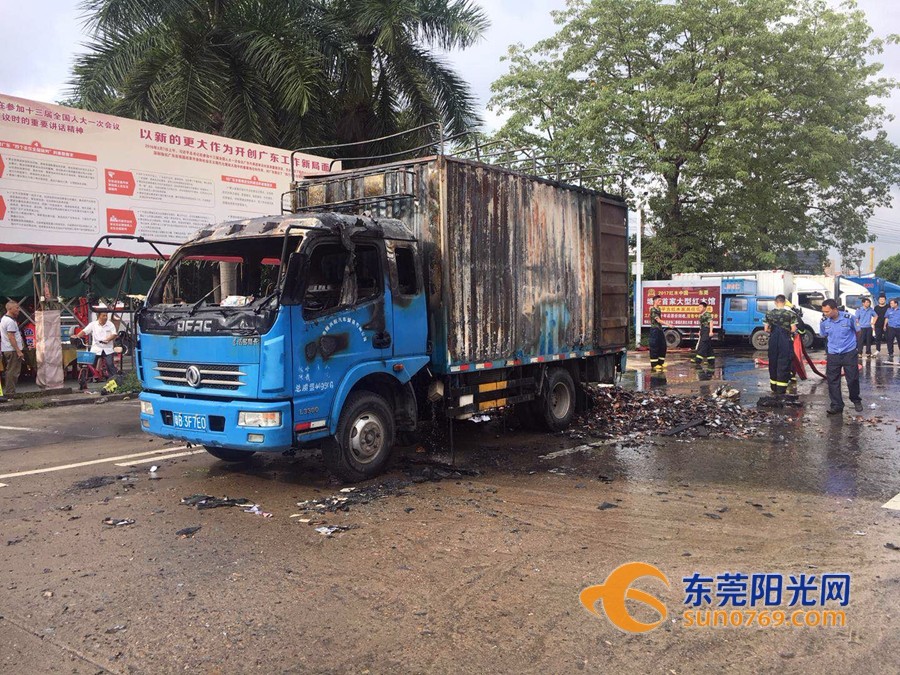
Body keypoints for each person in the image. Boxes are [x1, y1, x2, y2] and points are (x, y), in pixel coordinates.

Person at [820, 299, 862, 415]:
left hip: (849, 352)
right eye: (823, 311)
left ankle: (855, 399)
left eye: (827, 311)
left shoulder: (849, 318)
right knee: (833, 380)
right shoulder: (824, 321)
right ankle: (836, 405)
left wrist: (854, 346)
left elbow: (858, 331)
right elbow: (824, 334)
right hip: (833, 354)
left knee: (852, 378)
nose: (825, 314)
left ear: (835, 309)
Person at [763, 294, 797, 403]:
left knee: (773, 361)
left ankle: (773, 386)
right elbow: (793, 329)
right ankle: (781, 388)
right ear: (784, 302)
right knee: (784, 361)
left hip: (773, 339)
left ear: (775, 302)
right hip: (785, 340)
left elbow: (766, 329)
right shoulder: (790, 314)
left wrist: (773, 332)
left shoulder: (769, 313)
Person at [73, 311, 119, 378]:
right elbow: (85, 331)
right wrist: (77, 336)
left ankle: (115, 379)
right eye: (103, 315)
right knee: (91, 365)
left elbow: (114, 334)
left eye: (106, 315)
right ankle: (91, 377)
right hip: (96, 348)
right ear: (99, 316)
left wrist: (108, 339)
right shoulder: (93, 324)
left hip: (108, 349)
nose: (105, 317)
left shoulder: (110, 324)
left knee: (110, 365)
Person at [1, 300, 25, 397]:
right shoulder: (10, 321)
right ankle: (10, 392)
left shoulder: (4, 319)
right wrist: (18, 351)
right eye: (16, 308)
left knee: (11, 370)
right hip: (12, 349)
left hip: (7, 348)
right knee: (13, 371)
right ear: (10, 309)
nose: (18, 310)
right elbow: (11, 337)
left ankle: (10, 391)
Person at [648, 295, 669, 371]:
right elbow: (658, 320)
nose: (661, 302)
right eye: (659, 300)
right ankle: (654, 364)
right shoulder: (653, 310)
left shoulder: (658, 309)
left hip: (659, 329)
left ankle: (661, 362)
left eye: (661, 300)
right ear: (655, 301)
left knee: (663, 345)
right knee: (654, 346)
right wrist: (668, 324)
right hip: (654, 329)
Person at [694, 301, 715, 368]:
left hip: (707, 330)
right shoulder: (701, 315)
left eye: (700, 307)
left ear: (705, 308)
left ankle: (698, 359)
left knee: (703, 344)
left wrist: (711, 331)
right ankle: (711, 360)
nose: (699, 308)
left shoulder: (707, 314)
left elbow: (711, 322)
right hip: (703, 330)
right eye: (699, 307)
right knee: (708, 346)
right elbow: (701, 324)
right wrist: (700, 331)